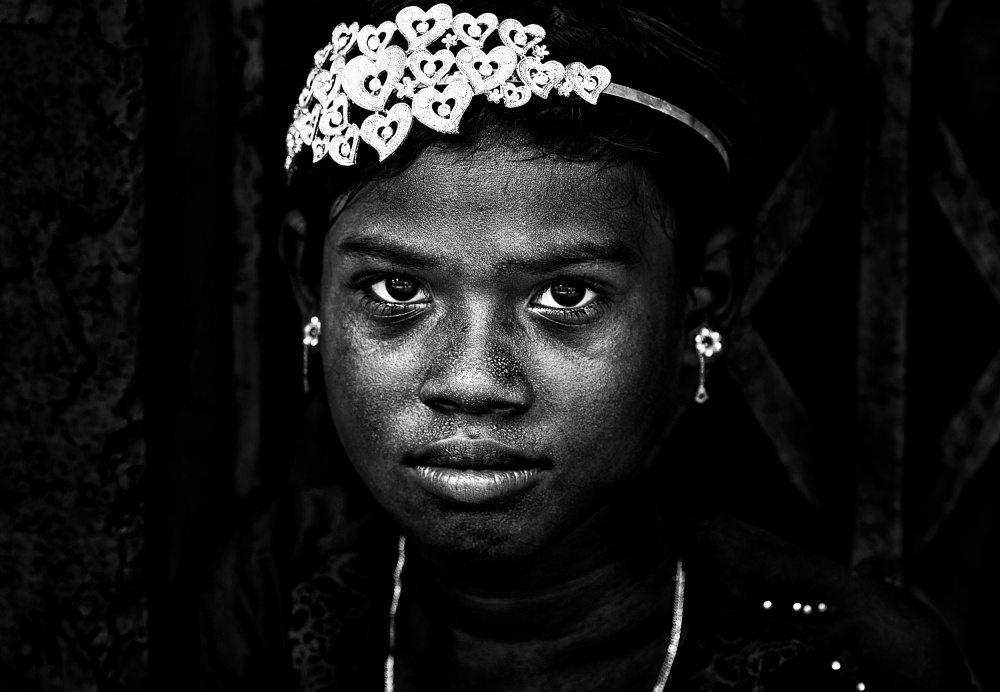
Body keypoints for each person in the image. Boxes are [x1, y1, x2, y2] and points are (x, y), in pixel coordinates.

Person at [197, 2, 982, 690]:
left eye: (565, 295)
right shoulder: (272, 591)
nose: (474, 381)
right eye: (398, 290)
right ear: (309, 285)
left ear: (702, 298)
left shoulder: (852, 666)